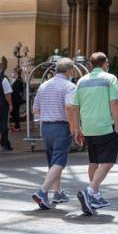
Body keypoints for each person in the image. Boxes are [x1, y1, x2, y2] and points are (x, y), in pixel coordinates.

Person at [68, 51, 118, 215]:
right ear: (105, 64)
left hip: (89, 127)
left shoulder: (81, 81)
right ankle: (90, 191)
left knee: (94, 162)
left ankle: (96, 195)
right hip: (105, 126)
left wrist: (77, 129)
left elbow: (74, 108)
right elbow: (114, 104)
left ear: (91, 65)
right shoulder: (110, 78)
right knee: (108, 162)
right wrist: (117, 127)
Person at [31, 57, 77, 209]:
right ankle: (43, 192)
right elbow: (69, 107)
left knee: (52, 161)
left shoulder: (43, 85)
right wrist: (73, 127)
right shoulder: (69, 86)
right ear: (70, 70)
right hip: (61, 126)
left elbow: (35, 109)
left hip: (46, 127)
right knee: (59, 161)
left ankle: (57, 193)